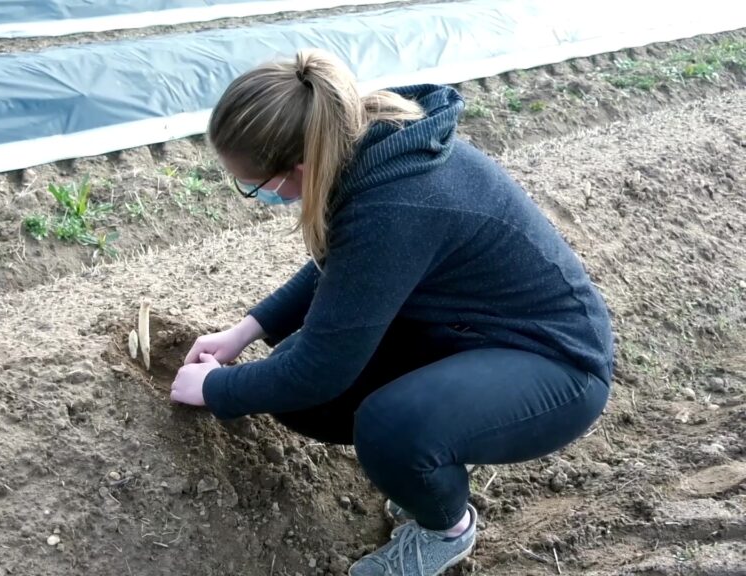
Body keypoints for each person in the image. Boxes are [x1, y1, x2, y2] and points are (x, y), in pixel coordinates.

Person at [170, 48, 613, 576]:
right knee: (304, 390)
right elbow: (348, 269)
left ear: (301, 168)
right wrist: (247, 331)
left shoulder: (396, 201)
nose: (259, 196)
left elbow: (322, 367)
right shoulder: (370, 147)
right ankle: (438, 448)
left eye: (256, 186)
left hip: (557, 365)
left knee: (390, 428)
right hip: (465, 333)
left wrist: (216, 390)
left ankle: (446, 529)